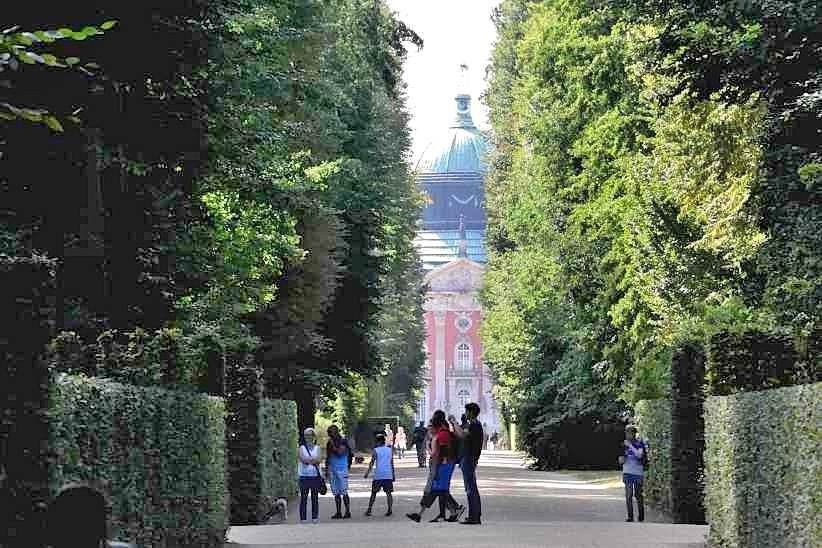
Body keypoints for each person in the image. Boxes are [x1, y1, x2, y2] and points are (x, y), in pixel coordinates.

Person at [406, 410, 464, 523]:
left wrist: (439, 463)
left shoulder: (443, 433)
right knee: (439, 490)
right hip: (444, 463)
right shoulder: (443, 432)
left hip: (444, 464)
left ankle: (452, 510)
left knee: (438, 489)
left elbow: (443, 450)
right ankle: (451, 511)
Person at [451, 402, 483, 525]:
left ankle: (474, 517)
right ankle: (475, 515)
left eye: (466, 411)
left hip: (469, 459)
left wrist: (454, 422)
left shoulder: (474, 425)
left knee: (470, 488)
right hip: (470, 459)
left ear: (470, 412)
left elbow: (462, 435)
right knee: (471, 487)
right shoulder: (474, 425)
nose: (465, 413)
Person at [619, 424, 647, 522]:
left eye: (630, 433)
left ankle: (641, 517)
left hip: (638, 472)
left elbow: (639, 455)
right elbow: (620, 459)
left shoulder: (639, 443)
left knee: (638, 495)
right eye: (627, 433)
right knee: (628, 495)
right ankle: (630, 517)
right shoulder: (623, 444)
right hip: (627, 471)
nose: (628, 435)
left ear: (634, 434)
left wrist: (630, 446)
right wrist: (622, 459)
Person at [325, 424, 353, 519]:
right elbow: (328, 456)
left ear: (335, 432)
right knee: (336, 492)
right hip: (333, 469)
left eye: (330, 433)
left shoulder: (343, 441)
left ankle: (347, 511)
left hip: (342, 469)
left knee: (344, 491)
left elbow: (339, 453)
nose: (329, 435)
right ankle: (338, 512)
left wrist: (348, 466)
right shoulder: (330, 442)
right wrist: (327, 469)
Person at [364, 433, 395, 516]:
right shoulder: (389, 450)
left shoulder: (376, 450)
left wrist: (367, 473)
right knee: (389, 493)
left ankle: (369, 510)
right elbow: (391, 463)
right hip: (388, 475)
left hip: (378, 475)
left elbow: (372, 463)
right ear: (384, 441)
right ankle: (390, 509)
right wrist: (393, 474)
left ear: (378, 442)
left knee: (373, 493)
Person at [298, 427, 323, 524]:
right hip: (304, 476)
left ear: (314, 436)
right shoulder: (301, 448)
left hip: (315, 476)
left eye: (310, 435)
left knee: (314, 498)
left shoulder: (318, 448)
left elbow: (319, 460)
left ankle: (314, 517)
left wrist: (309, 460)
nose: (308, 437)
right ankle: (303, 518)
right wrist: (313, 460)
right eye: (306, 435)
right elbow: (303, 460)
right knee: (303, 498)